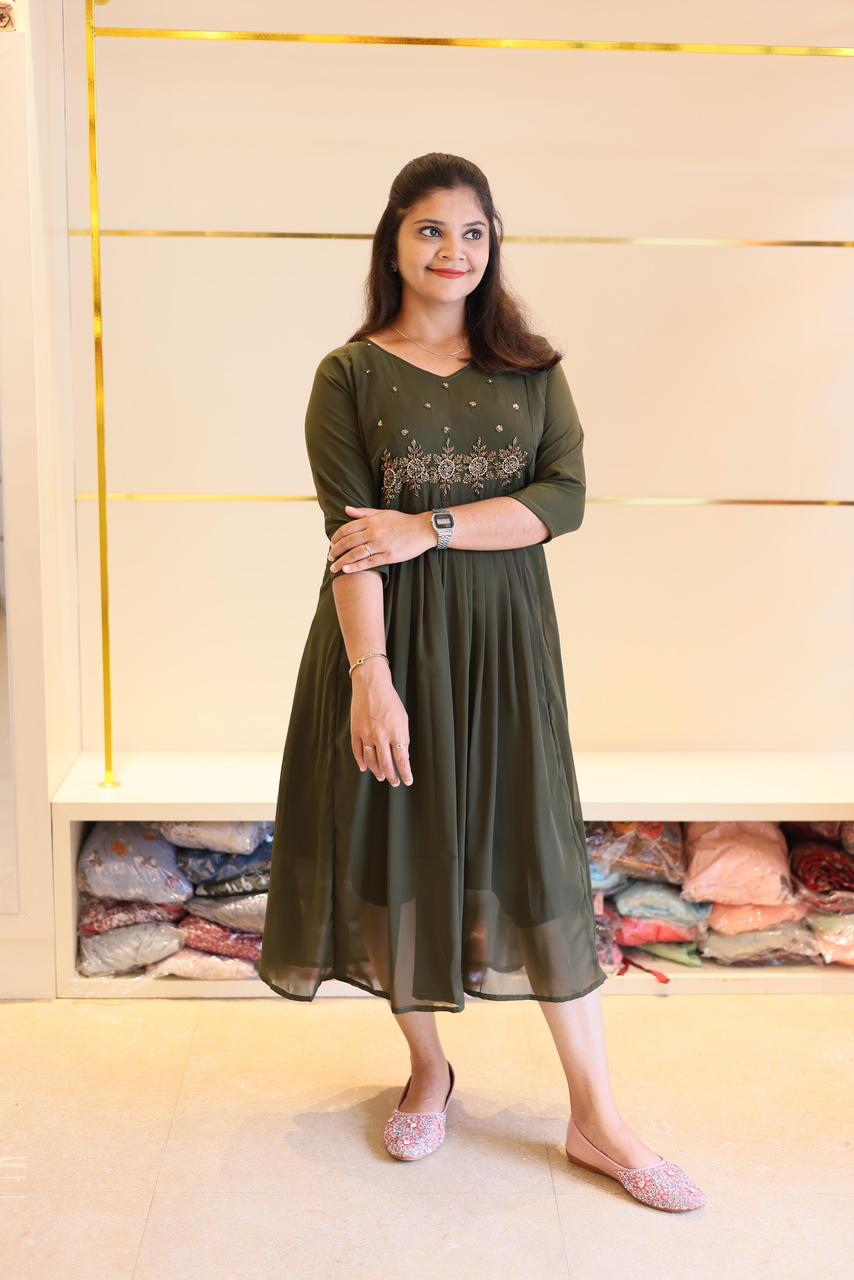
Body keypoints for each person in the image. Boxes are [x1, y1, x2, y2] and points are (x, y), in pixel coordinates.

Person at [258, 153, 705, 1210]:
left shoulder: (530, 369)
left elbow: (562, 500)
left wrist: (431, 526)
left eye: (472, 232)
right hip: (390, 647)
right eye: (430, 230)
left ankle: (595, 1117)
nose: (452, 251)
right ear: (393, 240)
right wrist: (371, 679)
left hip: (506, 650)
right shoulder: (348, 375)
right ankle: (427, 1069)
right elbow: (350, 544)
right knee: (395, 853)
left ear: (492, 244)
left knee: (538, 862)